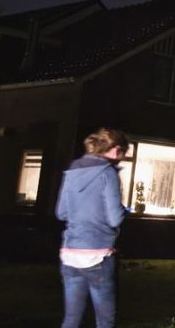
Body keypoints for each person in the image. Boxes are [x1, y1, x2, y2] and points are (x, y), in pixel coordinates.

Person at [55, 128, 129, 328]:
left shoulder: (71, 172)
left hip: (70, 253)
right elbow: (115, 219)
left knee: (71, 319)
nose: (121, 159)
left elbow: (61, 213)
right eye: (122, 154)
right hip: (98, 254)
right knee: (105, 321)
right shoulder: (108, 173)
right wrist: (125, 210)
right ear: (115, 150)